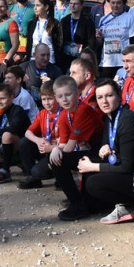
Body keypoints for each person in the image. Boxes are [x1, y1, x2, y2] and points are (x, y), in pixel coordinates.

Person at [69, 79, 134, 229]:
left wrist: (92, 166)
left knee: (94, 181)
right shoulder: (110, 117)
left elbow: (126, 166)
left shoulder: (127, 119)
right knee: (89, 172)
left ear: (119, 96)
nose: (104, 101)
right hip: (133, 172)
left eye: (109, 96)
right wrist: (104, 150)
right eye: (100, 97)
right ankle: (128, 204)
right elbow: (113, 150)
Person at [46, 76, 102, 207]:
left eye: (68, 94)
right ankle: (75, 199)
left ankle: (77, 203)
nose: (64, 99)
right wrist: (55, 149)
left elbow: (69, 149)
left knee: (58, 161)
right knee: (55, 159)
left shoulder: (83, 110)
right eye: (60, 96)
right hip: (88, 150)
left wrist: (56, 151)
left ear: (77, 93)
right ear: (56, 97)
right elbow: (63, 145)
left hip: (100, 152)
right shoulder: (64, 114)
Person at [17, 81, 62, 188]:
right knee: (24, 142)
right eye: (44, 99)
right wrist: (38, 140)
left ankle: (61, 178)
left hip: (59, 149)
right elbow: (28, 132)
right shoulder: (43, 113)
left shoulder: (65, 113)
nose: (46, 103)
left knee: (38, 170)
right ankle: (32, 178)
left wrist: (51, 148)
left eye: (50, 99)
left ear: (58, 98)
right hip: (46, 148)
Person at [96, 0, 134, 79]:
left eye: (119, 3)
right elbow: (100, 43)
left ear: (124, 4)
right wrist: (98, 38)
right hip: (107, 62)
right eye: (113, 3)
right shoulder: (103, 19)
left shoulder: (129, 18)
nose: (115, 6)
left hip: (123, 62)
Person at [60, 0, 96, 72]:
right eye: (71, 3)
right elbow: (60, 39)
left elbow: (91, 41)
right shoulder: (65, 21)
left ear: (81, 6)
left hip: (81, 57)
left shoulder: (87, 21)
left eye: (76, 4)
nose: (73, 6)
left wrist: (86, 54)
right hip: (66, 57)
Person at [25, 0, 63, 66]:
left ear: (46, 7)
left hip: (50, 61)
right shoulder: (32, 23)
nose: (35, 8)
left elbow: (59, 44)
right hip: (33, 60)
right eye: (34, 6)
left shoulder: (55, 23)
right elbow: (29, 42)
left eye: (38, 5)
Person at [8, 0, 36, 65]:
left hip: (29, 49)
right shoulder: (9, 8)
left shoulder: (35, 8)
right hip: (12, 49)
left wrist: (28, 52)